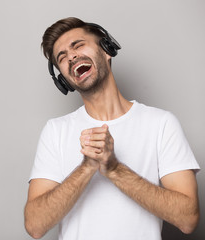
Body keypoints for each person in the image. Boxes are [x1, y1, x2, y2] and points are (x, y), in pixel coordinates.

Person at [24, 17, 200, 240]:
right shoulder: (55, 131)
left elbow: (188, 219)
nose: (71, 56)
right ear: (64, 80)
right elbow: (35, 226)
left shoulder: (161, 124)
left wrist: (115, 169)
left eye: (78, 45)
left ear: (107, 49)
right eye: (62, 57)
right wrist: (87, 167)